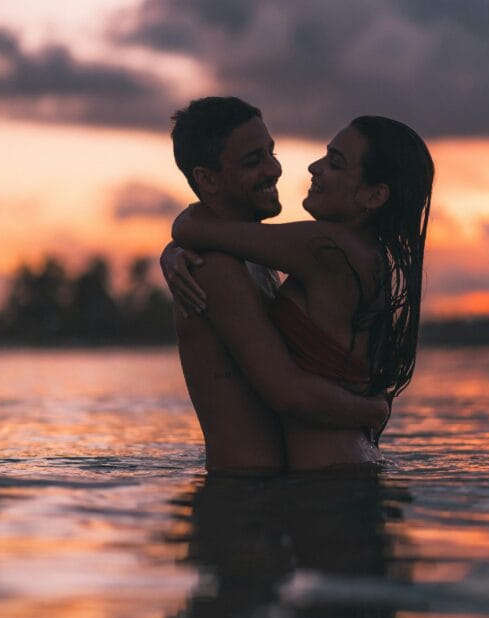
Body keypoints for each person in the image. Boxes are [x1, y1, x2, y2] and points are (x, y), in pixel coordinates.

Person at [171, 114, 434, 471]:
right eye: (255, 159)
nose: (313, 166)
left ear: (374, 195)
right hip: (345, 469)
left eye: (335, 163)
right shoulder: (364, 255)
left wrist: (176, 242)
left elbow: (193, 229)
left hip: (329, 481)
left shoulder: (324, 247)